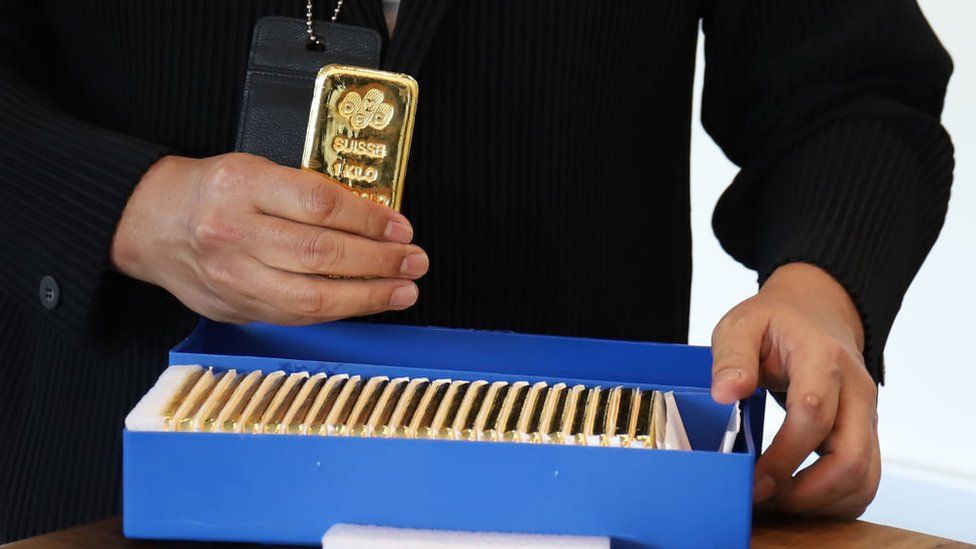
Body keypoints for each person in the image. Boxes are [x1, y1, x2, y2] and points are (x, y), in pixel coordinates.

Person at [0, 0, 953, 542]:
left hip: (586, 503)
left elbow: (856, 88)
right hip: (106, 490)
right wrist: (126, 205)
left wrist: (817, 289)